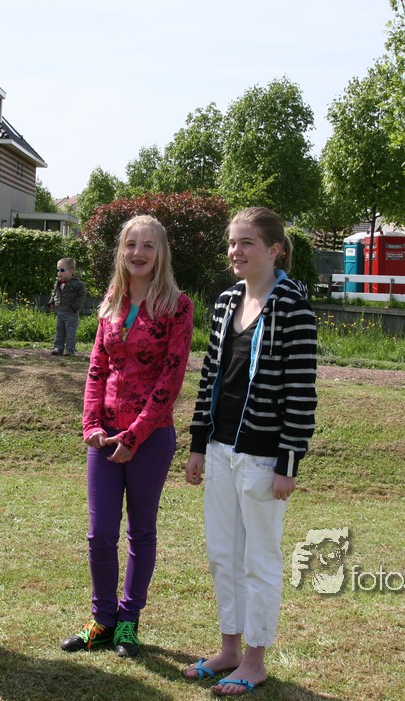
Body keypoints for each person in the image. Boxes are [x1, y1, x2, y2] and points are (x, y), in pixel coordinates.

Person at [183, 207, 317, 696]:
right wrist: (198, 444)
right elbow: (209, 377)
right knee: (223, 553)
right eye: (232, 242)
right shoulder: (225, 302)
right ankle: (230, 650)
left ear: (274, 249)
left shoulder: (294, 307)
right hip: (220, 449)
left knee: (259, 559)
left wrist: (288, 463)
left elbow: (301, 392)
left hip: (263, 457)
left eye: (246, 243)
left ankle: (255, 661)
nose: (235, 251)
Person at [61, 215, 193, 658]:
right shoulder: (110, 302)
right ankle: (102, 621)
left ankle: (128, 623)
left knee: (141, 531)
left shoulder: (177, 307)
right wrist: (91, 426)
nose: (138, 253)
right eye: (131, 244)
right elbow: (96, 369)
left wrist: (134, 436)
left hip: (150, 438)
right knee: (100, 534)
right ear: (121, 251)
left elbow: (171, 379)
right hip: (104, 438)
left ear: (161, 253)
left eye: (148, 245)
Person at [48, 257, 88, 356]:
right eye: (57, 270)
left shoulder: (77, 284)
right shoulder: (58, 283)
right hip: (60, 311)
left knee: (70, 332)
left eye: (62, 270)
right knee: (59, 331)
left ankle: (70, 350)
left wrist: (75, 307)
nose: (59, 272)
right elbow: (54, 293)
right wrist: (52, 302)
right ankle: (58, 348)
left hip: (71, 312)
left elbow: (82, 296)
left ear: (71, 271)